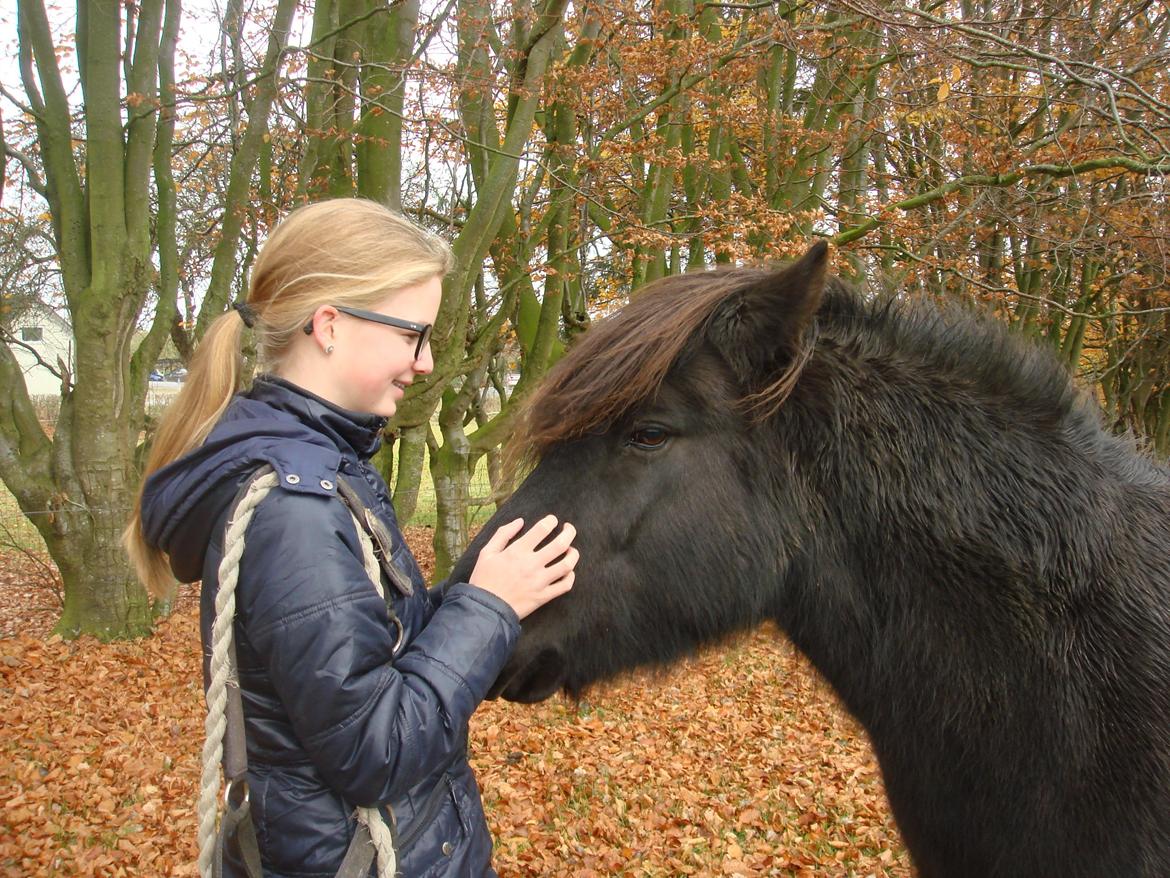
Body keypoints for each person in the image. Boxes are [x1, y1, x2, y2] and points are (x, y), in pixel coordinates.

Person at [124, 198, 578, 877]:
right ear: (330, 326)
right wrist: (486, 608)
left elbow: (380, 648)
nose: (424, 363)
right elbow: (377, 752)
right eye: (411, 335)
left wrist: (481, 594)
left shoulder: (322, 468)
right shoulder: (294, 510)